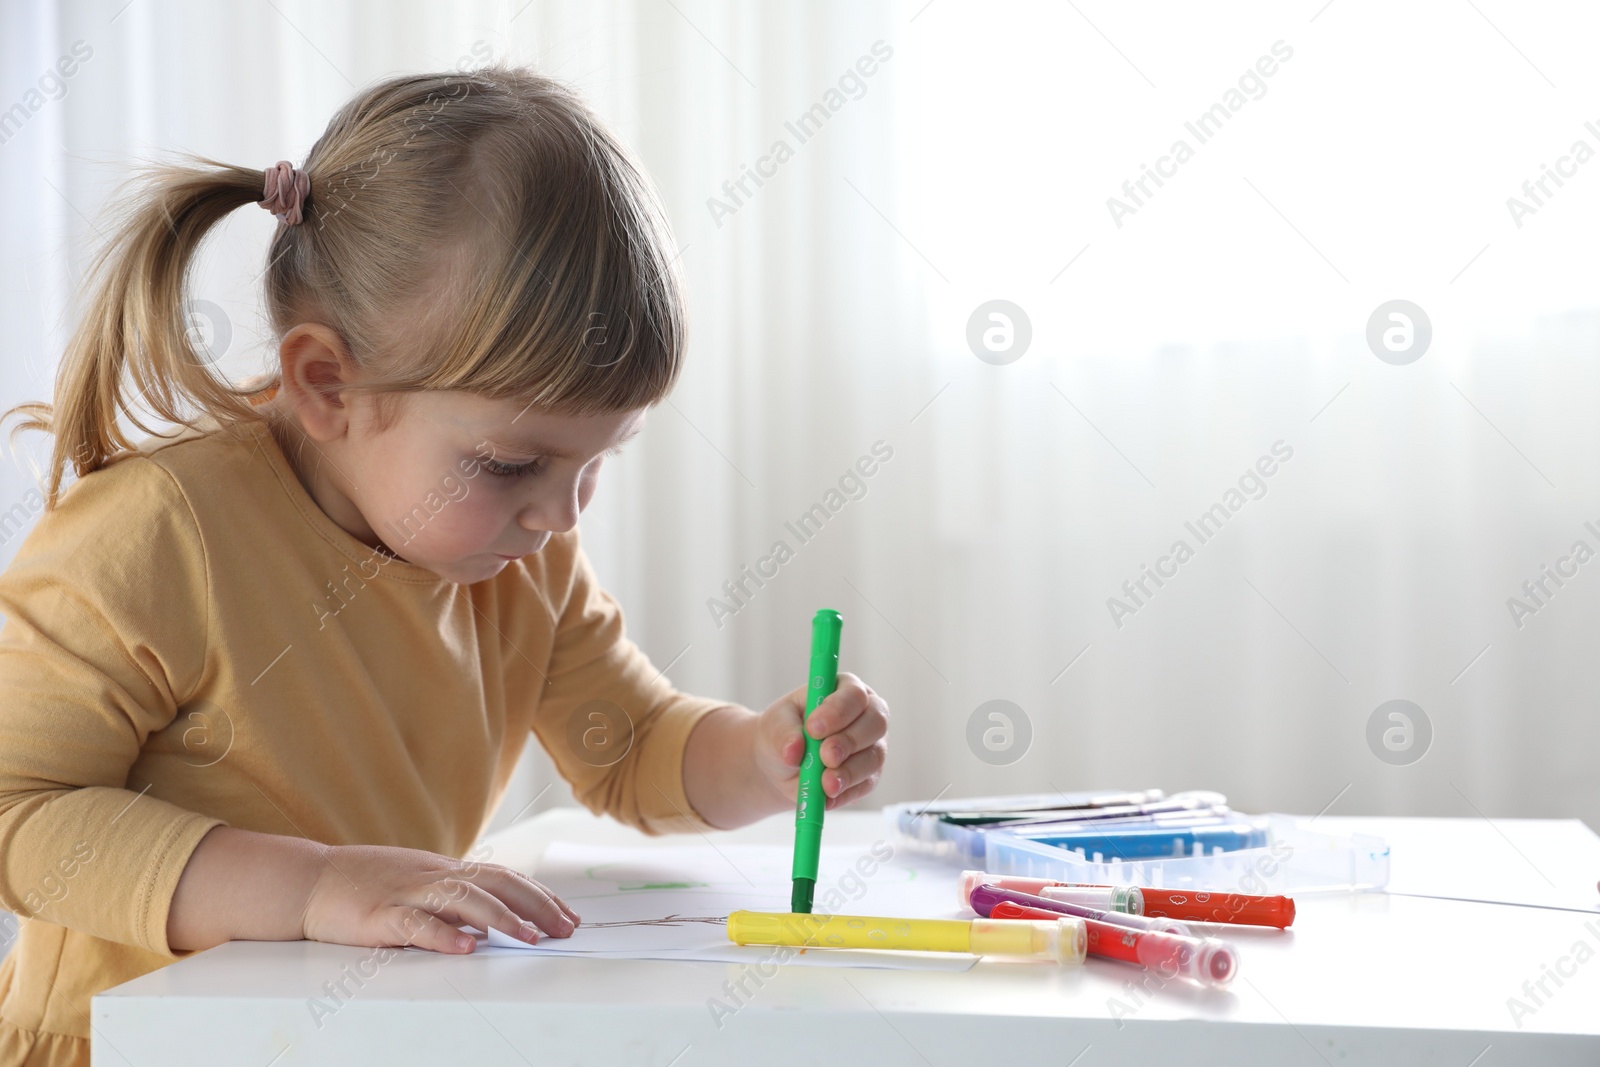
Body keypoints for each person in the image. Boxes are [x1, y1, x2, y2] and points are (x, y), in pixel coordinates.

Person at [0, 67, 889, 1066]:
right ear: (329, 384)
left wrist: (765, 755)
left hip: (358, 1032)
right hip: (129, 1040)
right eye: (513, 463)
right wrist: (314, 885)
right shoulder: (156, 536)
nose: (558, 512)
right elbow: (22, 811)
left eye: (596, 461)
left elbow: (631, 746)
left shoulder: (521, 551)